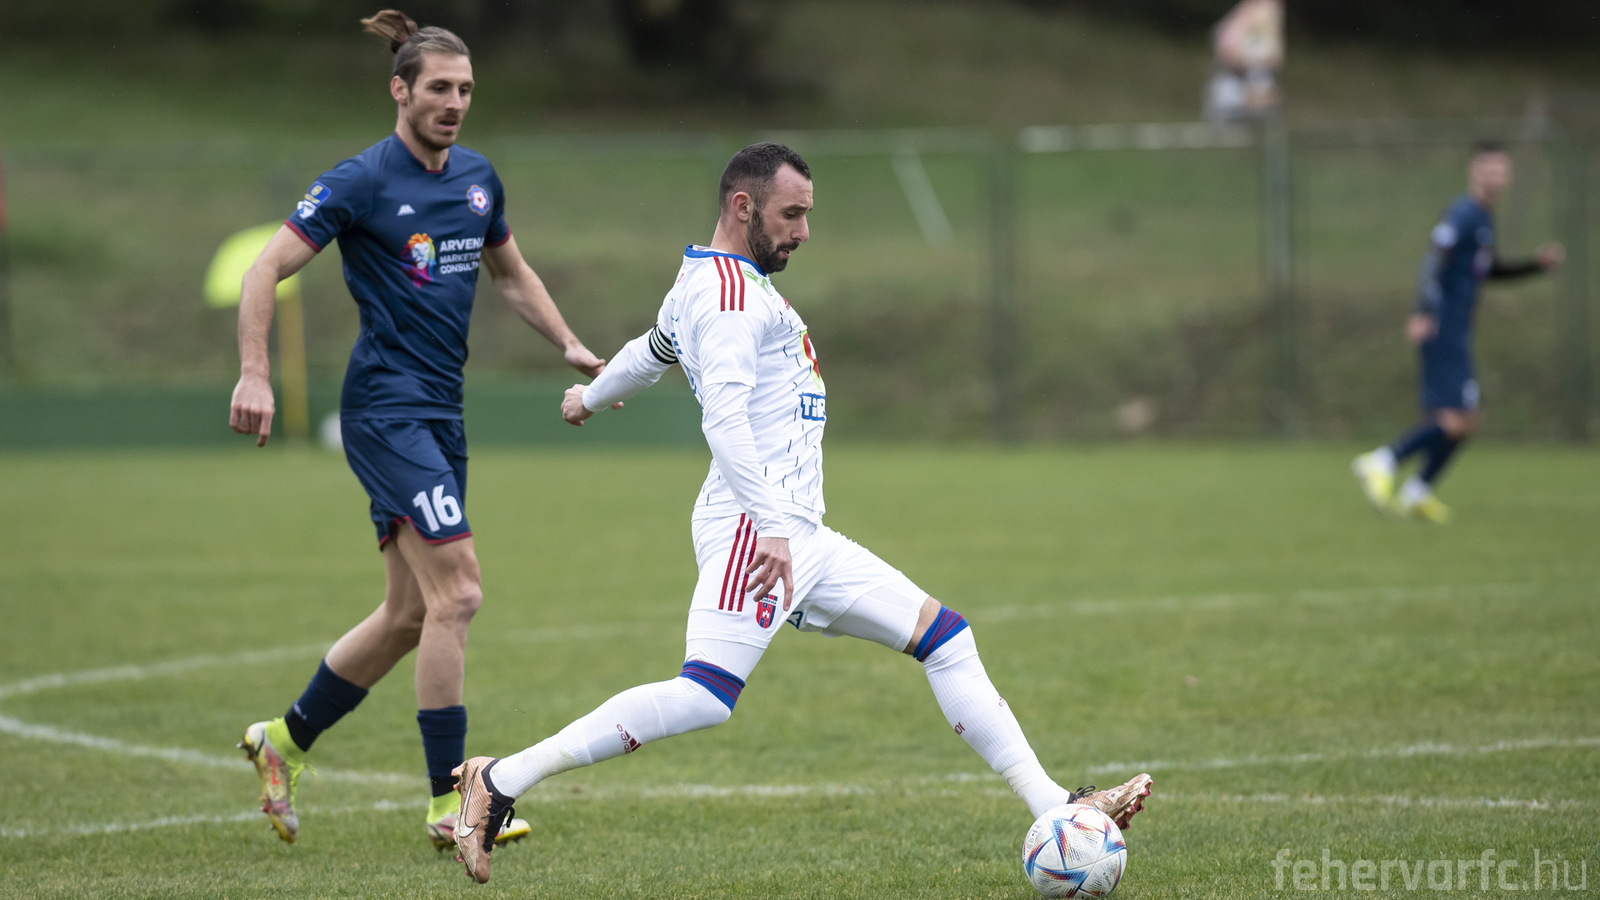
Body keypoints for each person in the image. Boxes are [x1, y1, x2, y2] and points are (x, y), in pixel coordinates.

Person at [441, 143, 1154, 884]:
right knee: (705, 695)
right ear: (742, 206)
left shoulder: (711, 281)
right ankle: (500, 779)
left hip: (796, 531)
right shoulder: (729, 298)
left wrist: (588, 396)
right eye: (791, 214)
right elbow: (723, 419)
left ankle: (1055, 806)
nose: (804, 231)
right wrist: (772, 529)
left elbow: (652, 350)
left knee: (945, 638)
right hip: (757, 528)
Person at [228, 9, 606, 848]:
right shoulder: (360, 181)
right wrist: (255, 372)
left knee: (409, 614)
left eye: (465, 89)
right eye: (438, 87)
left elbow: (512, 275)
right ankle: (450, 805)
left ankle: (282, 740)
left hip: (440, 412)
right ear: (399, 90)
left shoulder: (477, 178)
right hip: (385, 410)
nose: (454, 102)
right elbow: (265, 268)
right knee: (460, 593)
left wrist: (570, 344)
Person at [1353, 141, 1563, 523]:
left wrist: (1535, 265)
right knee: (1457, 417)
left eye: (1500, 170)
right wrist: (1422, 310)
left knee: (1463, 420)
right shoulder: (1463, 213)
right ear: (1473, 171)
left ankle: (1416, 492)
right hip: (1442, 324)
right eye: (1488, 169)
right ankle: (1383, 461)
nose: (1495, 177)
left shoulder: (1483, 219)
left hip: (1457, 328)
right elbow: (1434, 257)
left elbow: (1487, 270)